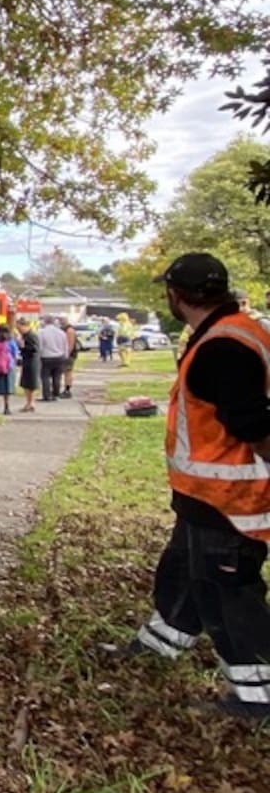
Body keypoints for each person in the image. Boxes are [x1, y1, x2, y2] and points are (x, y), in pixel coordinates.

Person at [107, 253, 270, 720]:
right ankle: (164, 640)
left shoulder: (222, 348)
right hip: (205, 494)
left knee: (226, 591)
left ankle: (259, 696)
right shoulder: (239, 330)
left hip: (229, 499)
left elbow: (252, 424)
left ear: (176, 296)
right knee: (182, 568)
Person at [38, 315, 69, 401]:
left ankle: (47, 396)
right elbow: (65, 346)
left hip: (46, 357)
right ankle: (56, 395)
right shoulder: (61, 332)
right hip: (59, 357)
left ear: (45, 321)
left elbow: (40, 346)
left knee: (45, 377)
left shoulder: (41, 332)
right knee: (57, 377)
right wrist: (65, 356)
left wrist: (39, 356)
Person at [15, 316, 40, 412]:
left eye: (19, 328)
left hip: (32, 362)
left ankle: (31, 403)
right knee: (26, 384)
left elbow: (34, 349)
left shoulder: (31, 336)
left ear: (25, 326)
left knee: (31, 383)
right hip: (27, 361)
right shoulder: (25, 336)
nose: (18, 330)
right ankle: (28, 402)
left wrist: (22, 346)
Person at [61, 316, 81, 397]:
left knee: (68, 372)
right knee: (66, 372)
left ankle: (67, 390)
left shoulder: (69, 331)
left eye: (61, 320)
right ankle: (66, 389)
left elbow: (70, 345)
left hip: (69, 355)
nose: (60, 322)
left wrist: (67, 354)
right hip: (67, 354)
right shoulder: (65, 330)